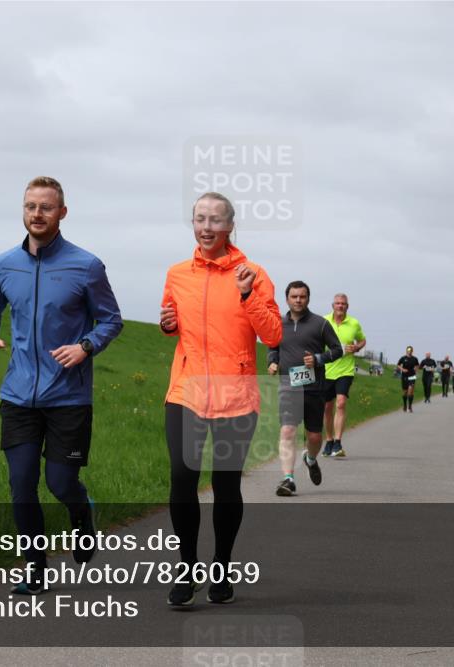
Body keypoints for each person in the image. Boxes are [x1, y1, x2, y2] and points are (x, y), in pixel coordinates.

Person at [0, 176, 123, 595]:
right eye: (29, 207)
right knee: (21, 484)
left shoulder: (86, 266)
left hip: (68, 396)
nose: (36, 214)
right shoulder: (4, 264)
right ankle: (34, 567)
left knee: (60, 483)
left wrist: (85, 346)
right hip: (18, 394)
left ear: (62, 212)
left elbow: (111, 320)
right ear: (23, 211)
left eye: (45, 207)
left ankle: (82, 513)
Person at [159, 192, 282, 607]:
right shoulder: (177, 273)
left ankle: (222, 566)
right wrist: (167, 324)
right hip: (186, 391)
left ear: (230, 227)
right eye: (199, 219)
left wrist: (247, 296)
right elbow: (173, 319)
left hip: (236, 394)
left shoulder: (254, 273)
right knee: (182, 479)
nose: (206, 227)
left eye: (215, 220)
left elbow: (273, 335)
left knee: (226, 485)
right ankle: (187, 566)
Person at [267, 281, 343, 496]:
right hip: (288, 387)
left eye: (302, 297)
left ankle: (310, 459)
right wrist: (272, 361)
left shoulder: (320, 324)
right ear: (287, 299)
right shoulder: (278, 324)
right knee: (288, 430)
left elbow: (337, 350)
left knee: (314, 437)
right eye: (294, 297)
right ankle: (288, 479)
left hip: (314, 388)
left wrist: (318, 359)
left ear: (308, 299)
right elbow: (272, 347)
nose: (298, 300)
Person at [321, 294, 367, 458]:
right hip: (326, 370)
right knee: (327, 407)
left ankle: (338, 442)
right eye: (337, 303)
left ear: (347, 306)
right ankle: (329, 440)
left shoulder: (354, 323)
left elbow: (362, 340)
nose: (340, 306)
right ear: (332, 305)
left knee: (340, 403)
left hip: (346, 370)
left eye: (343, 304)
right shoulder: (324, 321)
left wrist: (356, 347)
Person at [397, 345, 420, 412]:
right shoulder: (403, 358)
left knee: (410, 391)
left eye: (410, 350)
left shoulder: (415, 359)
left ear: (412, 351)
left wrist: (416, 368)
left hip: (412, 376)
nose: (409, 352)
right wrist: (402, 369)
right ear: (406, 351)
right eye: (408, 350)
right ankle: (405, 405)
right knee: (405, 392)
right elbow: (398, 365)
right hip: (404, 376)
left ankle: (410, 406)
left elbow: (417, 365)